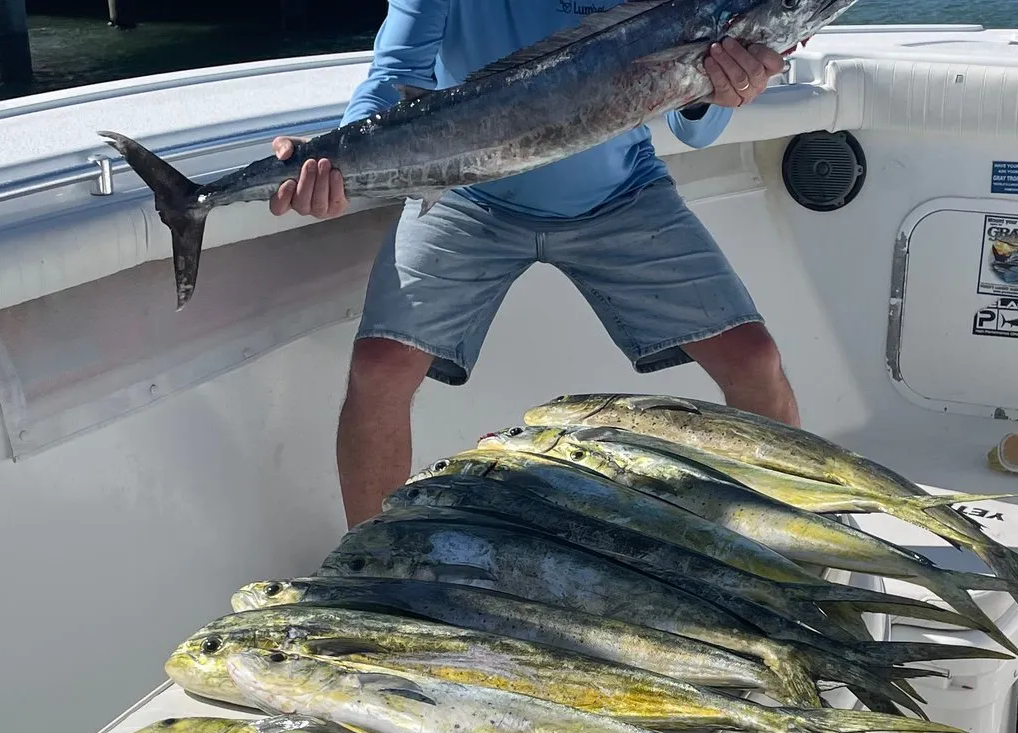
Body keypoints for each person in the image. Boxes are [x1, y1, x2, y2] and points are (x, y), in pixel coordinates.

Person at [267, 0, 801, 526]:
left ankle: (791, 556)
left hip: (621, 193)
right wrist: (334, 164)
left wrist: (718, 88)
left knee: (755, 362)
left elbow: (694, 130)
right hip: (467, 193)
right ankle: (371, 568)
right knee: (379, 370)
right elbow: (396, 74)